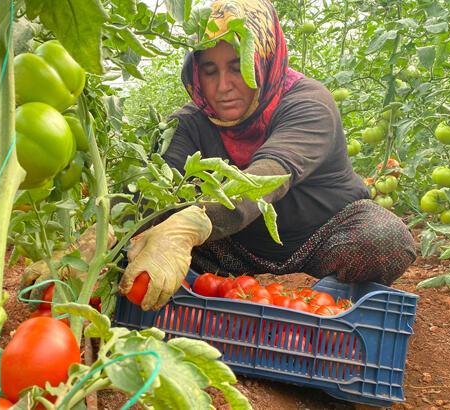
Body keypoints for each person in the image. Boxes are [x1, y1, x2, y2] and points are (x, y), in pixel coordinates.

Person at [119, 0, 416, 311]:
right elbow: (154, 192)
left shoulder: (307, 102)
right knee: (142, 241)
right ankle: (217, 293)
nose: (223, 86)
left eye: (237, 66)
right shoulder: (189, 123)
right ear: (195, 75)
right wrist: (104, 234)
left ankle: (327, 300)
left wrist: (189, 225)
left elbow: (270, 174)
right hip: (232, 247)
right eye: (209, 71)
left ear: (263, 58)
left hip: (319, 239)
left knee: (384, 238)